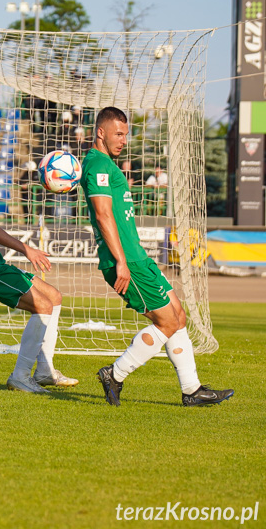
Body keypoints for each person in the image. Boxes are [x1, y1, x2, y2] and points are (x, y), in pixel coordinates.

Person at [82, 107, 233, 407]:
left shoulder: (108, 165)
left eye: (126, 134)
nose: (124, 139)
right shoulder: (97, 165)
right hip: (126, 261)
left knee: (178, 317)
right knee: (166, 322)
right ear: (100, 132)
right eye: (118, 133)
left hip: (137, 256)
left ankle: (192, 389)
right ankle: (115, 373)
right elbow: (102, 215)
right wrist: (121, 262)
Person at [0, 132, 77, 392]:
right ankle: (20, 376)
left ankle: (45, 371)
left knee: (53, 297)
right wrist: (26, 249)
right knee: (42, 305)